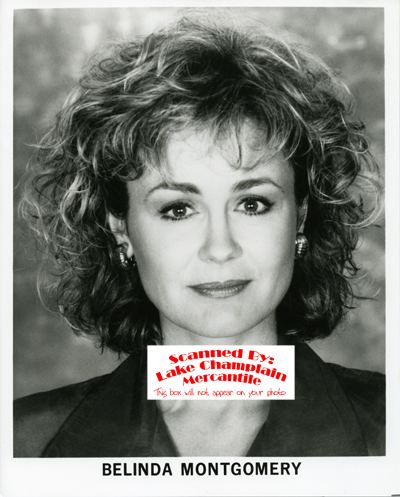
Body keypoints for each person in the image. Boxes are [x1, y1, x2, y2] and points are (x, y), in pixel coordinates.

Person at [14, 16, 384, 457]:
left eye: (252, 204)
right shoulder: (25, 443)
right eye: (178, 209)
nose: (220, 248)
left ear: (300, 216)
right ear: (121, 229)